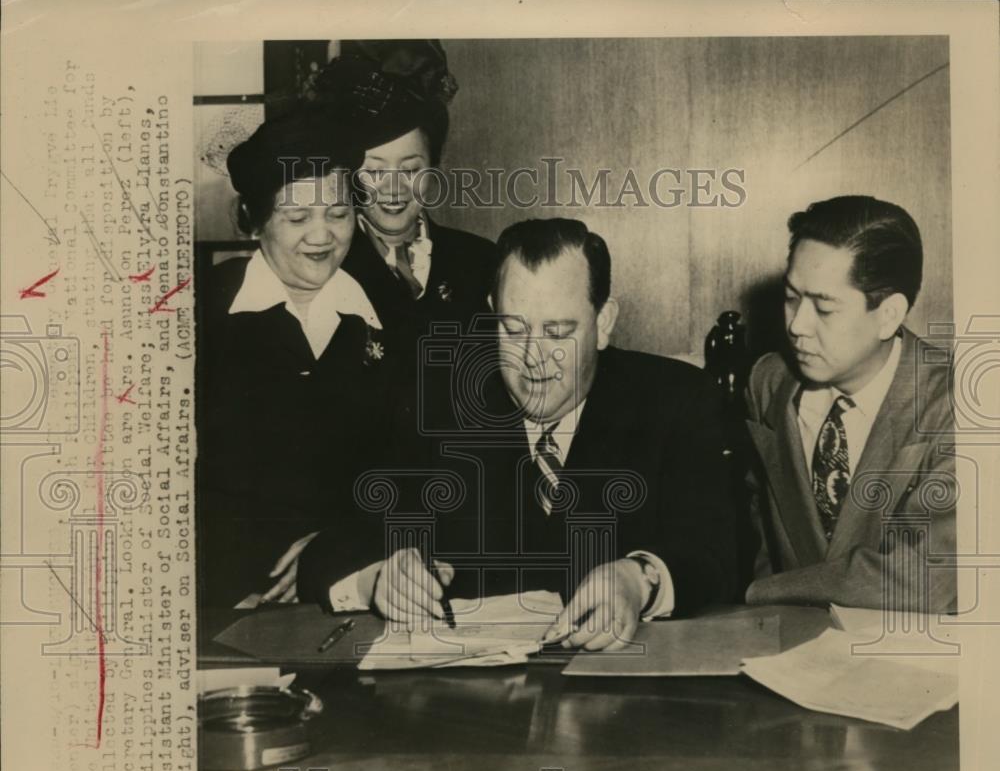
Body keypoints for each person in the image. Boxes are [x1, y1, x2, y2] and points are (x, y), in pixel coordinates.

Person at [298, 218, 738, 650]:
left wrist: (642, 578)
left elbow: (721, 553)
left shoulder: (675, 400)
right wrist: (377, 578)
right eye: (513, 328)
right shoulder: (441, 404)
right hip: (471, 707)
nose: (533, 358)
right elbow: (336, 545)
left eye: (557, 332)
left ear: (604, 322)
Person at [196, 108, 393, 609]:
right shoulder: (200, 316)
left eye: (339, 213)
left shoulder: (389, 317)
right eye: (297, 217)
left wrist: (337, 547)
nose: (322, 236)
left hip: (355, 590)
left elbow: (418, 473)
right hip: (224, 598)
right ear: (254, 221)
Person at [744, 195, 956, 611]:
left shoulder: (958, 402)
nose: (796, 326)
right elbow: (757, 532)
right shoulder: (768, 381)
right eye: (791, 298)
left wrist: (756, 593)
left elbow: (931, 577)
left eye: (824, 308)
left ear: (889, 315)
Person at [316, 41, 495, 365]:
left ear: (433, 167)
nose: (394, 188)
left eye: (411, 169)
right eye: (375, 170)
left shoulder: (481, 262)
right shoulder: (322, 266)